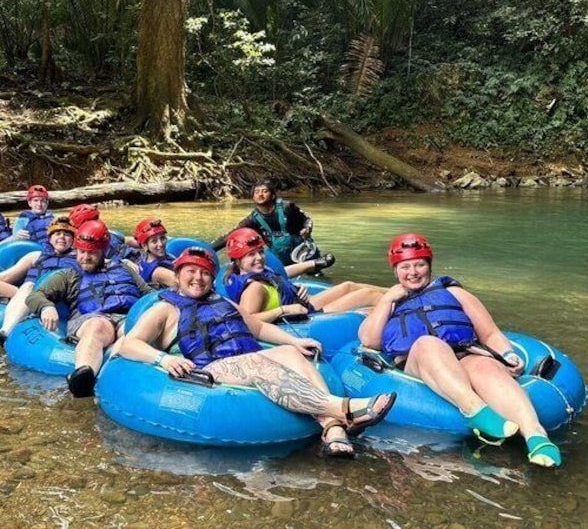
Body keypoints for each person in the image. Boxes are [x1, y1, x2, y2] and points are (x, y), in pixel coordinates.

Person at [116, 247, 397, 457]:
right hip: (207, 369)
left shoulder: (223, 301)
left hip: (244, 358)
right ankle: (345, 409)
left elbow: (258, 328)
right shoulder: (164, 309)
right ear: (177, 276)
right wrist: (164, 359)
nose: (198, 278)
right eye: (191, 271)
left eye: (204, 273)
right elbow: (129, 343)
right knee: (255, 363)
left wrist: (293, 341)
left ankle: (333, 428)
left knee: (290, 354)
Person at [358, 233, 562, 468]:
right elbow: (369, 341)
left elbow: (490, 333)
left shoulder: (454, 293)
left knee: (486, 365)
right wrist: (386, 300)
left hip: (463, 354)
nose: (413, 272)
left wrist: (508, 355)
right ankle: (476, 412)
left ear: (429, 266)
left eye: (419, 265)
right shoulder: (390, 303)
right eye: (405, 267)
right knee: (428, 344)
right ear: (395, 271)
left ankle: (537, 437)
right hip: (417, 362)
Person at [25, 219, 152, 397]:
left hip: (127, 318)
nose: (85, 257)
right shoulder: (69, 274)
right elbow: (34, 296)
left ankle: (112, 373)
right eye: (81, 252)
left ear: (103, 251)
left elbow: (148, 293)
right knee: (97, 326)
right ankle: (84, 377)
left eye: (92, 253)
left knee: (132, 330)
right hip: (91, 318)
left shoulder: (124, 267)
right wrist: (46, 307)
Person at [223, 228, 379, 322]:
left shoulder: (256, 271)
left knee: (349, 286)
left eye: (260, 252)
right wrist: (284, 310)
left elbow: (279, 280)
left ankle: (394, 291)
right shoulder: (254, 288)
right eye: (251, 254)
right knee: (368, 295)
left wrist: (296, 290)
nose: (259, 258)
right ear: (237, 260)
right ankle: (393, 301)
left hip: (305, 304)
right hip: (307, 318)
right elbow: (248, 320)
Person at [211, 179, 314, 266]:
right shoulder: (252, 220)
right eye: (257, 192)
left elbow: (307, 220)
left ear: (273, 196)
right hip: (279, 258)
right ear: (253, 197)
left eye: (264, 191)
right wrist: (208, 249)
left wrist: (307, 229)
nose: (260, 194)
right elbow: (229, 236)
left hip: (303, 252)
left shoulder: (287, 207)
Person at [68, 203, 140, 262]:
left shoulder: (109, 234)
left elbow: (129, 241)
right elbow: (129, 241)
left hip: (131, 261)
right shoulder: (110, 233)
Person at [134, 217, 175, 289]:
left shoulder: (166, 257)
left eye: (162, 238)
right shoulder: (158, 272)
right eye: (154, 241)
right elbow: (185, 285)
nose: (160, 244)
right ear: (145, 246)